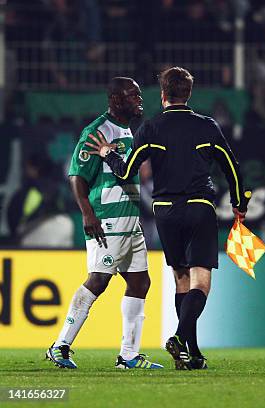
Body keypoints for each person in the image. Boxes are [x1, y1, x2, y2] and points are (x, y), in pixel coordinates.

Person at [86, 67, 248, 370]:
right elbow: (232, 168)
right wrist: (240, 204)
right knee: (201, 282)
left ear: (163, 96)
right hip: (199, 207)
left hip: (165, 211)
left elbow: (125, 171)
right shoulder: (207, 126)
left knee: (181, 279)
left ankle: (192, 353)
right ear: (188, 93)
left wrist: (108, 152)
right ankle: (178, 336)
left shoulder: (151, 128)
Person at [46, 77, 163, 370]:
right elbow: (77, 175)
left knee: (140, 281)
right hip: (108, 219)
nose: (139, 100)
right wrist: (87, 213)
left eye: (139, 95)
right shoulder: (97, 130)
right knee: (98, 279)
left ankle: (128, 355)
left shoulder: (126, 130)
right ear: (115, 100)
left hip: (131, 220)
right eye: (133, 95)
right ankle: (60, 345)